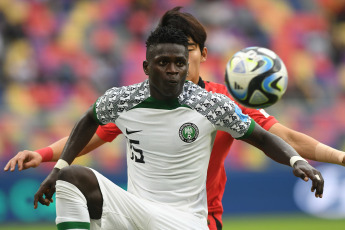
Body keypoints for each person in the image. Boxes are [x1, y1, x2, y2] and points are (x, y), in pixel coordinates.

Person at [3, 6, 337, 230]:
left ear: (201, 54)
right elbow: (93, 129)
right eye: (165, 57)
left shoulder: (217, 102)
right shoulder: (129, 99)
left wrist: (311, 159)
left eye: (185, 50)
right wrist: (48, 157)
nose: (176, 63)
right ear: (150, 61)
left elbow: (276, 137)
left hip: (198, 219)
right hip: (140, 212)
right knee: (72, 179)